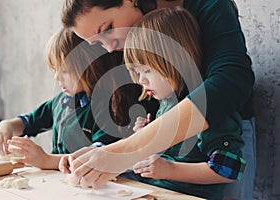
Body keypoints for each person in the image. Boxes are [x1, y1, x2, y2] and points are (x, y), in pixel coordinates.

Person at [59, 0, 255, 199]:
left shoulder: (208, 7)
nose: (109, 48)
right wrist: (104, 152)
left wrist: (127, 151)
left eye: (108, 29)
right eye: (98, 43)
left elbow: (231, 81)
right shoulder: (156, 89)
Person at [118, 7, 246, 199]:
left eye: (146, 71)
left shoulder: (208, 108)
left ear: (174, 60)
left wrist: (168, 169)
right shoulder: (168, 101)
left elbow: (229, 168)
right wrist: (147, 135)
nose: (140, 81)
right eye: (137, 72)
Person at [0, 28, 123, 169]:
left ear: (89, 66)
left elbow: (98, 156)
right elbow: (30, 121)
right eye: (54, 70)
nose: (56, 77)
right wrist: (7, 125)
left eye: (64, 71)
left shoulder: (107, 106)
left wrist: (46, 160)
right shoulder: (61, 101)